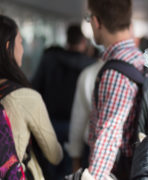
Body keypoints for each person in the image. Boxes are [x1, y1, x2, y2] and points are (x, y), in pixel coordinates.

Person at [85, 0, 145, 179]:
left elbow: (108, 136)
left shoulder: (116, 72)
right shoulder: (141, 60)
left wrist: (94, 177)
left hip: (119, 171)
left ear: (96, 22)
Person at [0, 14, 63, 180]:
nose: (23, 47)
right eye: (21, 41)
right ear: (8, 47)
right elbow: (54, 155)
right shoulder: (25, 97)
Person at [31, 24, 95, 180]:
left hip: (49, 122)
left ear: (67, 39)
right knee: (72, 170)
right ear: (83, 42)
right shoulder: (89, 66)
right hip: (77, 126)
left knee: (49, 168)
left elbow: (35, 87)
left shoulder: (49, 59)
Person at [64, 46, 103, 172]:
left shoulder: (90, 73)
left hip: (91, 151)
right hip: (132, 154)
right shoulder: (140, 69)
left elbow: (78, 120)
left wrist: (75, 158)